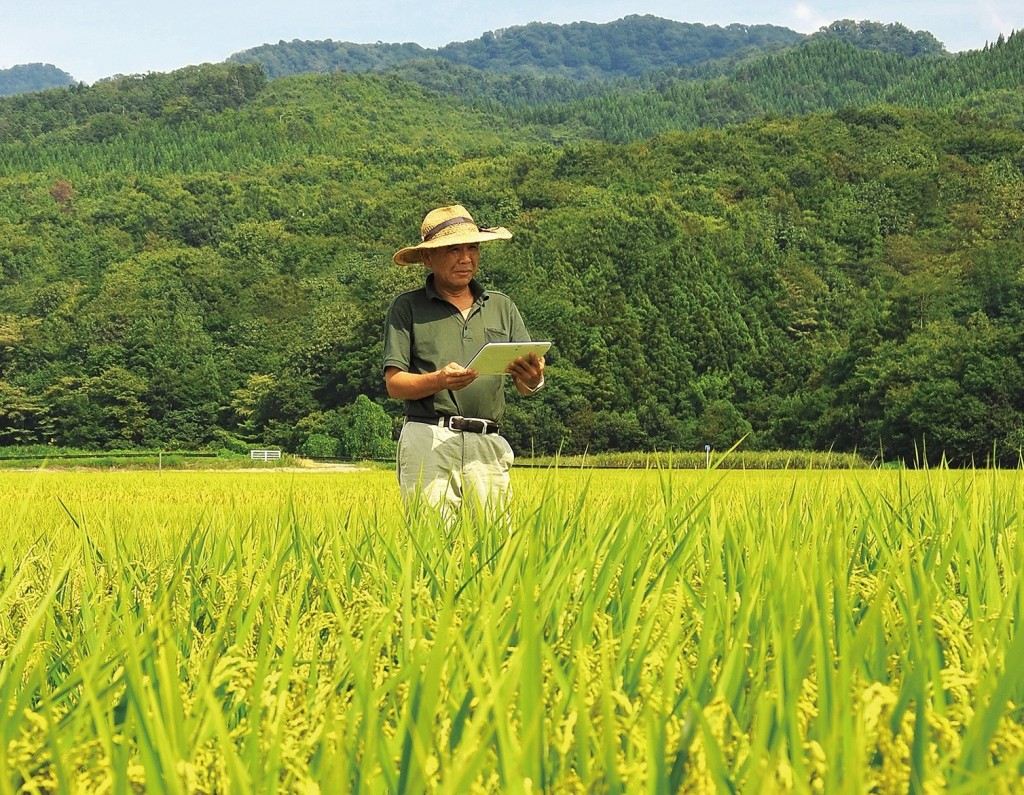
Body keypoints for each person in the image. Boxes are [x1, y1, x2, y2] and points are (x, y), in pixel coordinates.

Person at [383, 204, 545, 519]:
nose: (465, 258)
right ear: (428, 258)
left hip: (487, 441)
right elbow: (395, 384)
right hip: (429, 439)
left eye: (472, 247)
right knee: (431, 542)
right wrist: (438, 380)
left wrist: (534, 377)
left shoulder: (501, 307)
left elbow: (526, 387)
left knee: (495, 543)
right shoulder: (407, 308)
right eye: (453, 249)